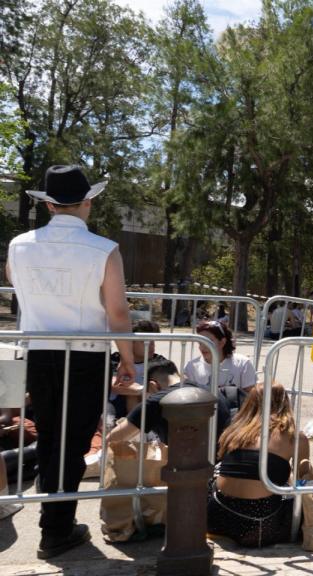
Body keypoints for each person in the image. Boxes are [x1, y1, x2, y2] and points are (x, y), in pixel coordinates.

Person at [6, 165, 135, 558]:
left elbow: (15, 281)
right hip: (85, 355)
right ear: (88, 202)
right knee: (73, 442)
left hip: (39, 353)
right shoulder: (104, 249)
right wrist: (128, 360)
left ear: (47, 204)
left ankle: (55, 523)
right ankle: (56, 528)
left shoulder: (19, 245)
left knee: (49, 438)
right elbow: (117, 311)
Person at [207, 383, 311, 548]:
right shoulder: (294, 437)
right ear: (285, 403)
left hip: (216, 518)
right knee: (303, 497)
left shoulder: (233, 432)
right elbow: (304, 479)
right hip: (259, 526)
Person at [107, 359, 231, 446]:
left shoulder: (156, 401)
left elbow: (113, 439)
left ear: (152, 385)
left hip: (181, 470)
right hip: (220, 464)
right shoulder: (213, 392)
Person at [108, 319, 167, 417]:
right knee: (130, 393)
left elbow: (172, 381)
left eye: (153, 341)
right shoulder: (117, 358)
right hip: (118, 406)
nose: (152, 346)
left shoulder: (158, 360)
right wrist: (141, 391)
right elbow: (114, 384)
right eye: (145, 342)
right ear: (130, 343)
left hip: (147, 405)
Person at [184, 320, 257, 391]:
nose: (202, 347)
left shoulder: (243, 364)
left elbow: (251, 396)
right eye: (200, 342)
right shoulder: (191, 366)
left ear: (222, 342)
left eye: (208, 342)